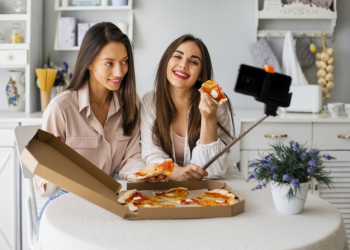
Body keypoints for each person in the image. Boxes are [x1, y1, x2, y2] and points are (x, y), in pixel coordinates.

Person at [34, 22, 148, 234]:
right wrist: (54, 164)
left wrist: (146, 174)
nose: (119, 71)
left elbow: (131, 158)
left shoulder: (131, 105)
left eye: (124, 62)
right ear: (89, 63)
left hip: (109, 201)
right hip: (66, 201)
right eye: (109, 63)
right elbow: (43, 187)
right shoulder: (61, 108)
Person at [139, 34, 242, 182]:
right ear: (166, 62)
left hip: (215, 186)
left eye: (193, 61)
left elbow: (212, 171)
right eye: (177, 57)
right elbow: (152, 154)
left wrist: (209, 118)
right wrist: (175, 172)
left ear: (200, 74)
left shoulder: (216, 103)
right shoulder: (150, 102)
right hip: (169, 185)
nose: (183, 65)